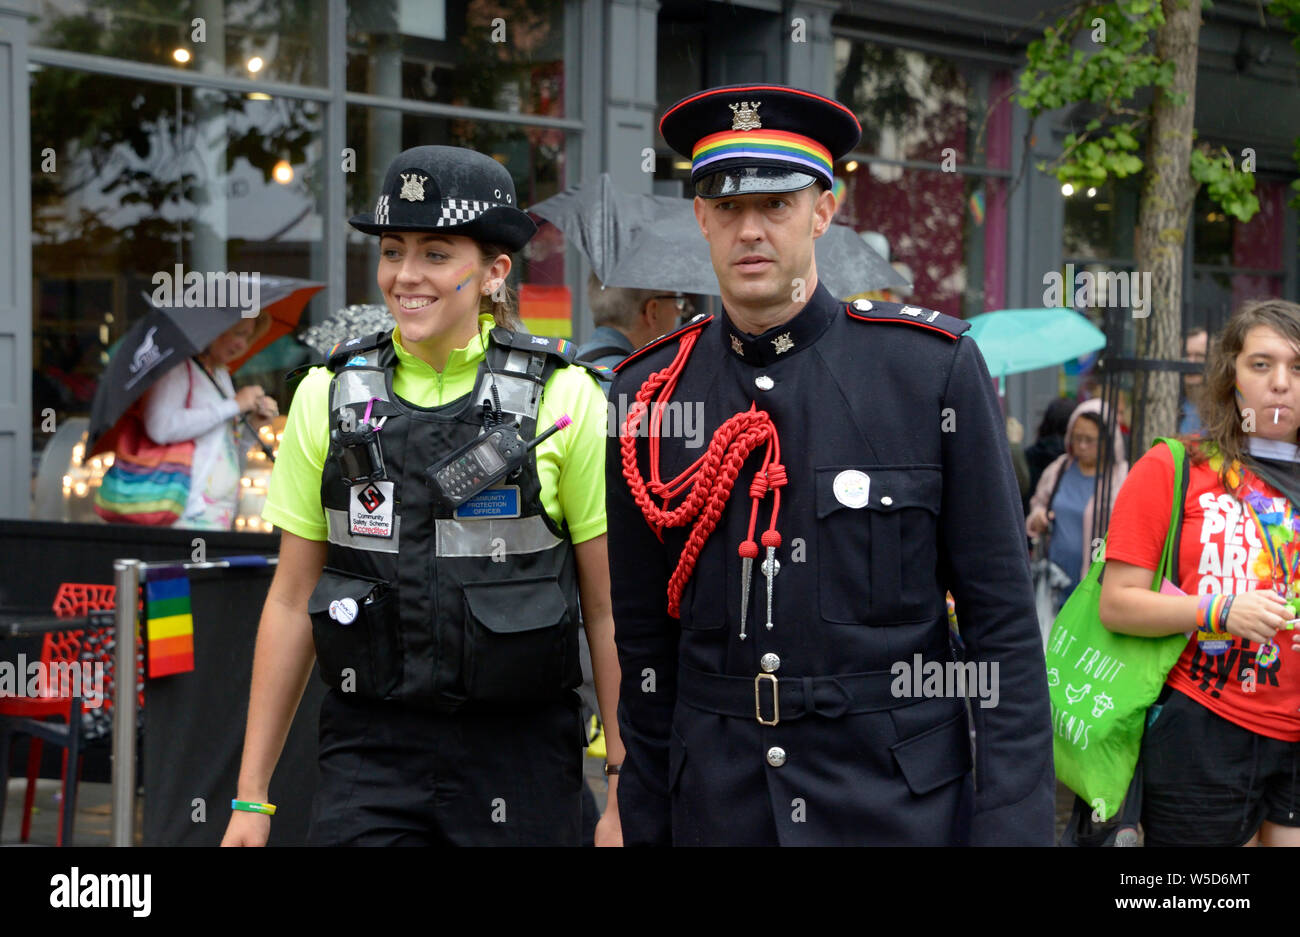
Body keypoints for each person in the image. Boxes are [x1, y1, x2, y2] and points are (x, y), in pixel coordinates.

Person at [606, 83, 1054, 846]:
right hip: (719, 807)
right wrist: (641, 816)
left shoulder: (928, 371)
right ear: (701, 218)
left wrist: (1011, 826)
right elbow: (646, 647)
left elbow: (1002, 627)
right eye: (727, 206)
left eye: (776, 205)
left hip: (891, 808)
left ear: (823, 211)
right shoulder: (647, 396)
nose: (751, 230)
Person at [221, 145, 624, 847]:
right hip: (368, 759)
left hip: (522, 759)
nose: (406, 275)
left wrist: (622, 784)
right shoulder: (326, 395)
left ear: (496, 270)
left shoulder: (567, 400)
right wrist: (251, 798)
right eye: (393, 250)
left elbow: (608, 609)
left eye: (437, 253)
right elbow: (290, 598)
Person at [1099, 299, 1300, 847]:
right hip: (1204, 727)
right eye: (1261, 364)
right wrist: (1219, 610)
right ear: (1230, 376)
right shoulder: (1174, 466)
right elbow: (1116, 604)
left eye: (1297, 367)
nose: (1280, 383)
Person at [141, 316, 279, 530]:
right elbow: (160, 426)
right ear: (214, 329)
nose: (243, 344)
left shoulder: (220, 374)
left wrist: (253, 424)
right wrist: (234, 405)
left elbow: (229, 449)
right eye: (239, 333)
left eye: (248, 336)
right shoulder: (179, 369)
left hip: (220, 509)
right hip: (187, 509)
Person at [1026, 398, 1128, 611]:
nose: (1081, 445)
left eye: (1090, 440)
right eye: (1076, 437)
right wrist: (1039, 516)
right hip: (1054, 585)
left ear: (1109, 440)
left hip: (1099, 587)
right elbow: (1039, 503)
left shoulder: (1121, 478)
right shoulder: (1060, 468)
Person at [576, 275, 693, 377]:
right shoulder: (638, 385)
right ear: (653, 311)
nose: (678, 311)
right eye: (676, 301)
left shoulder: (568, 366)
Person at [1180, 325, 1209, 435]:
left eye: (1199, 355)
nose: (1191, 361)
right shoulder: (1171, 400)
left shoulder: (1225, 405)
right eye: (1186, 355)